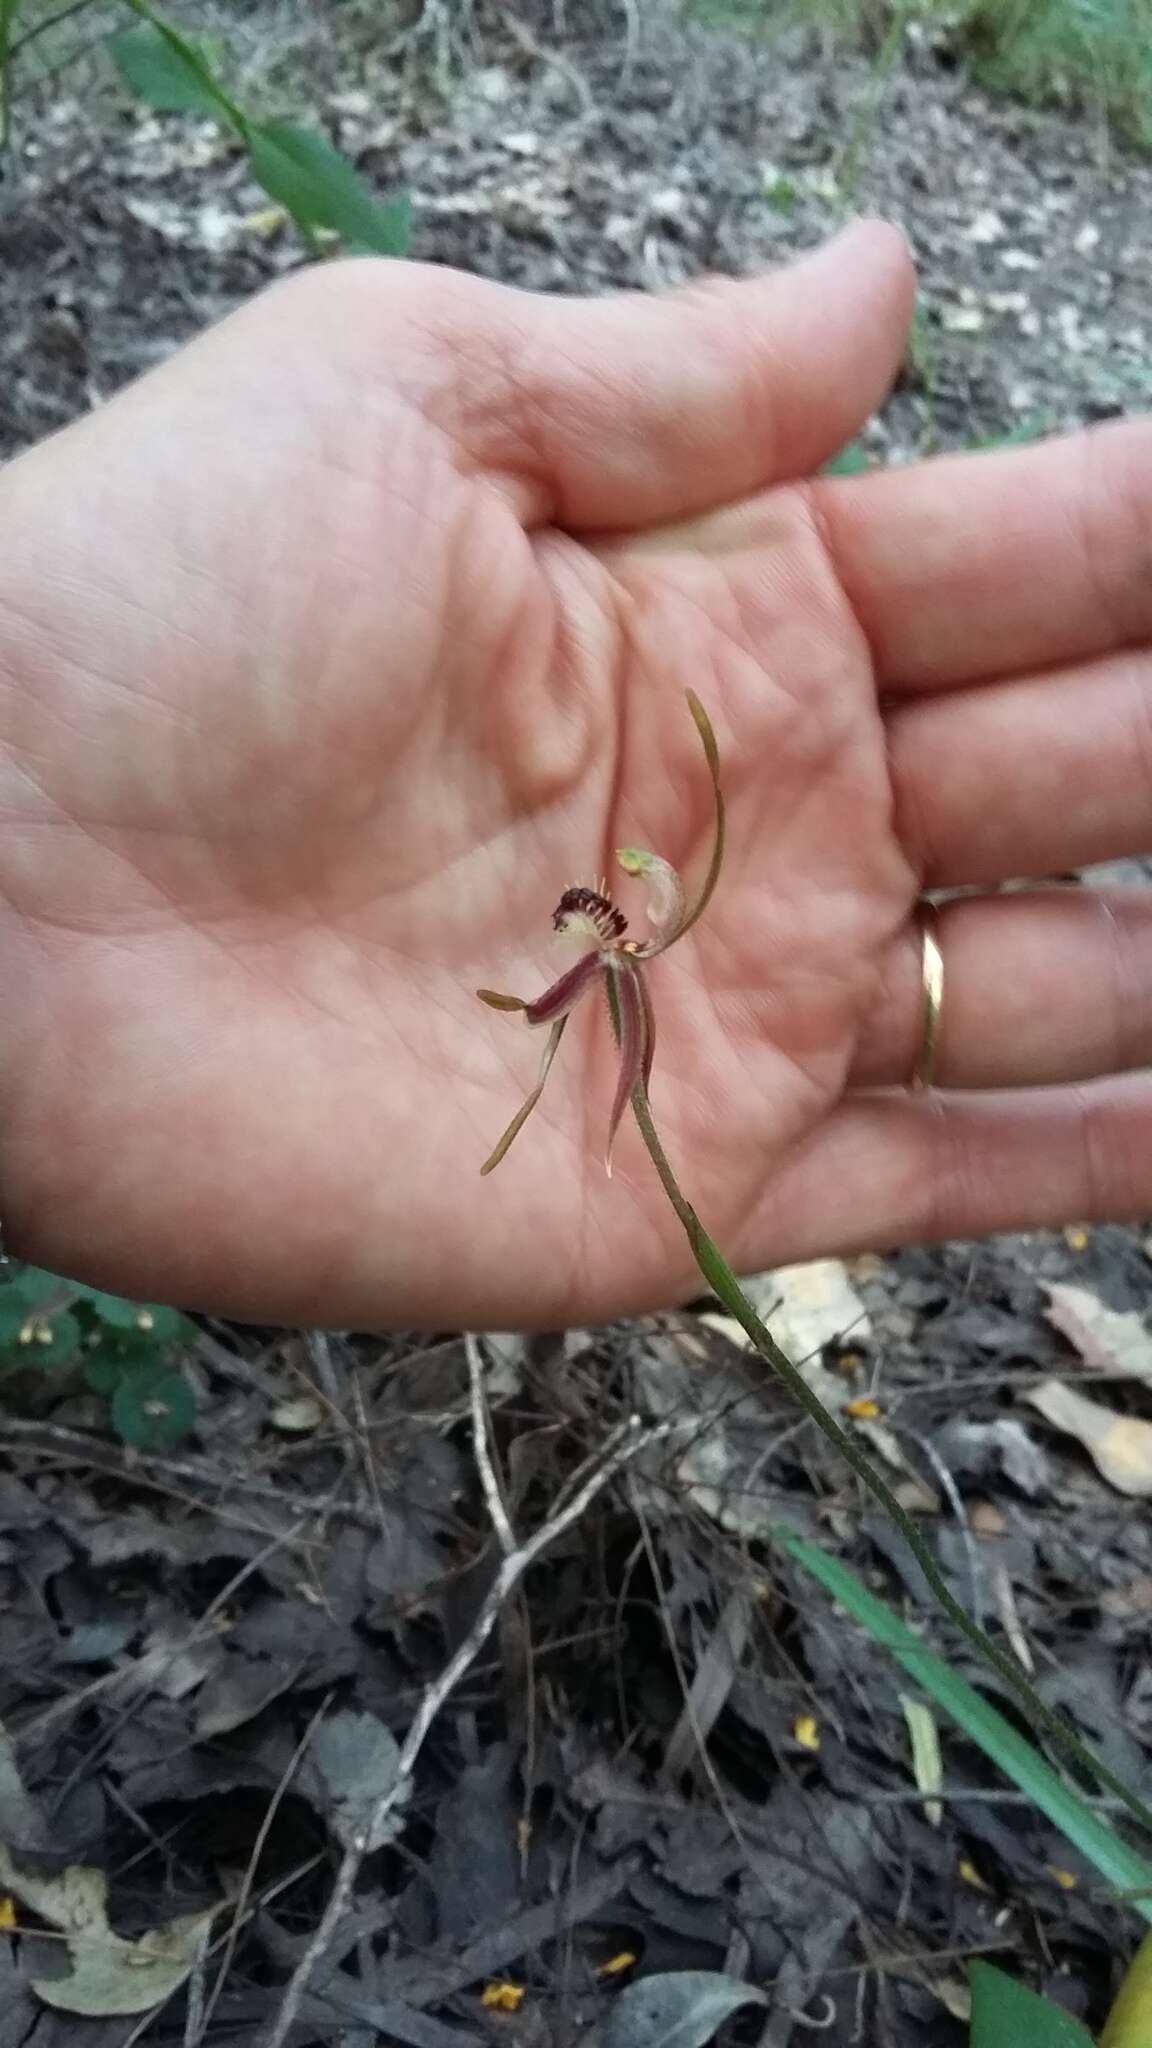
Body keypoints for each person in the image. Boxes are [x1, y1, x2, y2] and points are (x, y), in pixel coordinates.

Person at [0, 220, 1148, 1330]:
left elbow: (642, 922)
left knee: (606, 1064)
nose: (626, 891)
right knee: (584, 1064)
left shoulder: (644, 929)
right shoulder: (614, 945)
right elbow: (598, 952)